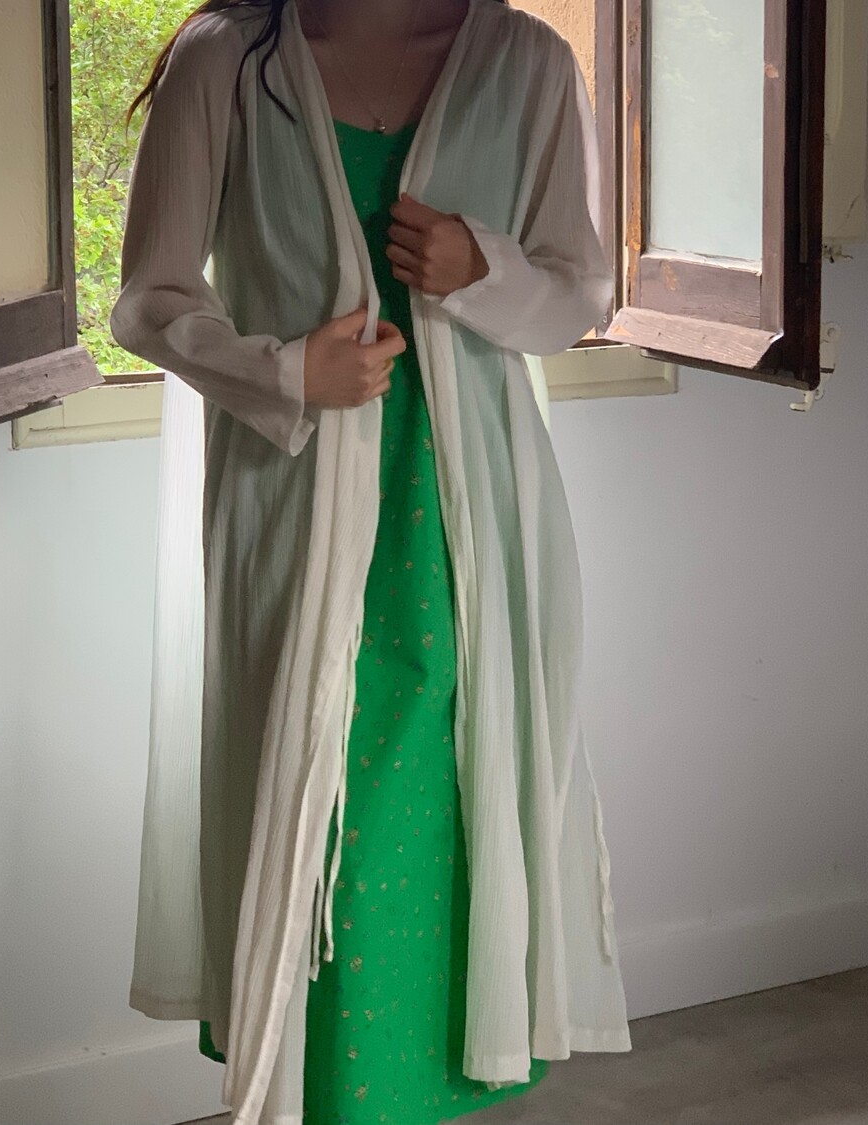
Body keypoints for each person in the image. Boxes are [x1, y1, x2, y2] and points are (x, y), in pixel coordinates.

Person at [111, 0, 632, 1122]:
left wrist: (482, 268)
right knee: (312, 805)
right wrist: (283, 372)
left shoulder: (527, 64)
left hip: (468, 520)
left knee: (443, 802)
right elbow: (150, 299)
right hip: (294, 507)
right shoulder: (226, 61)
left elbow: (577, 293)